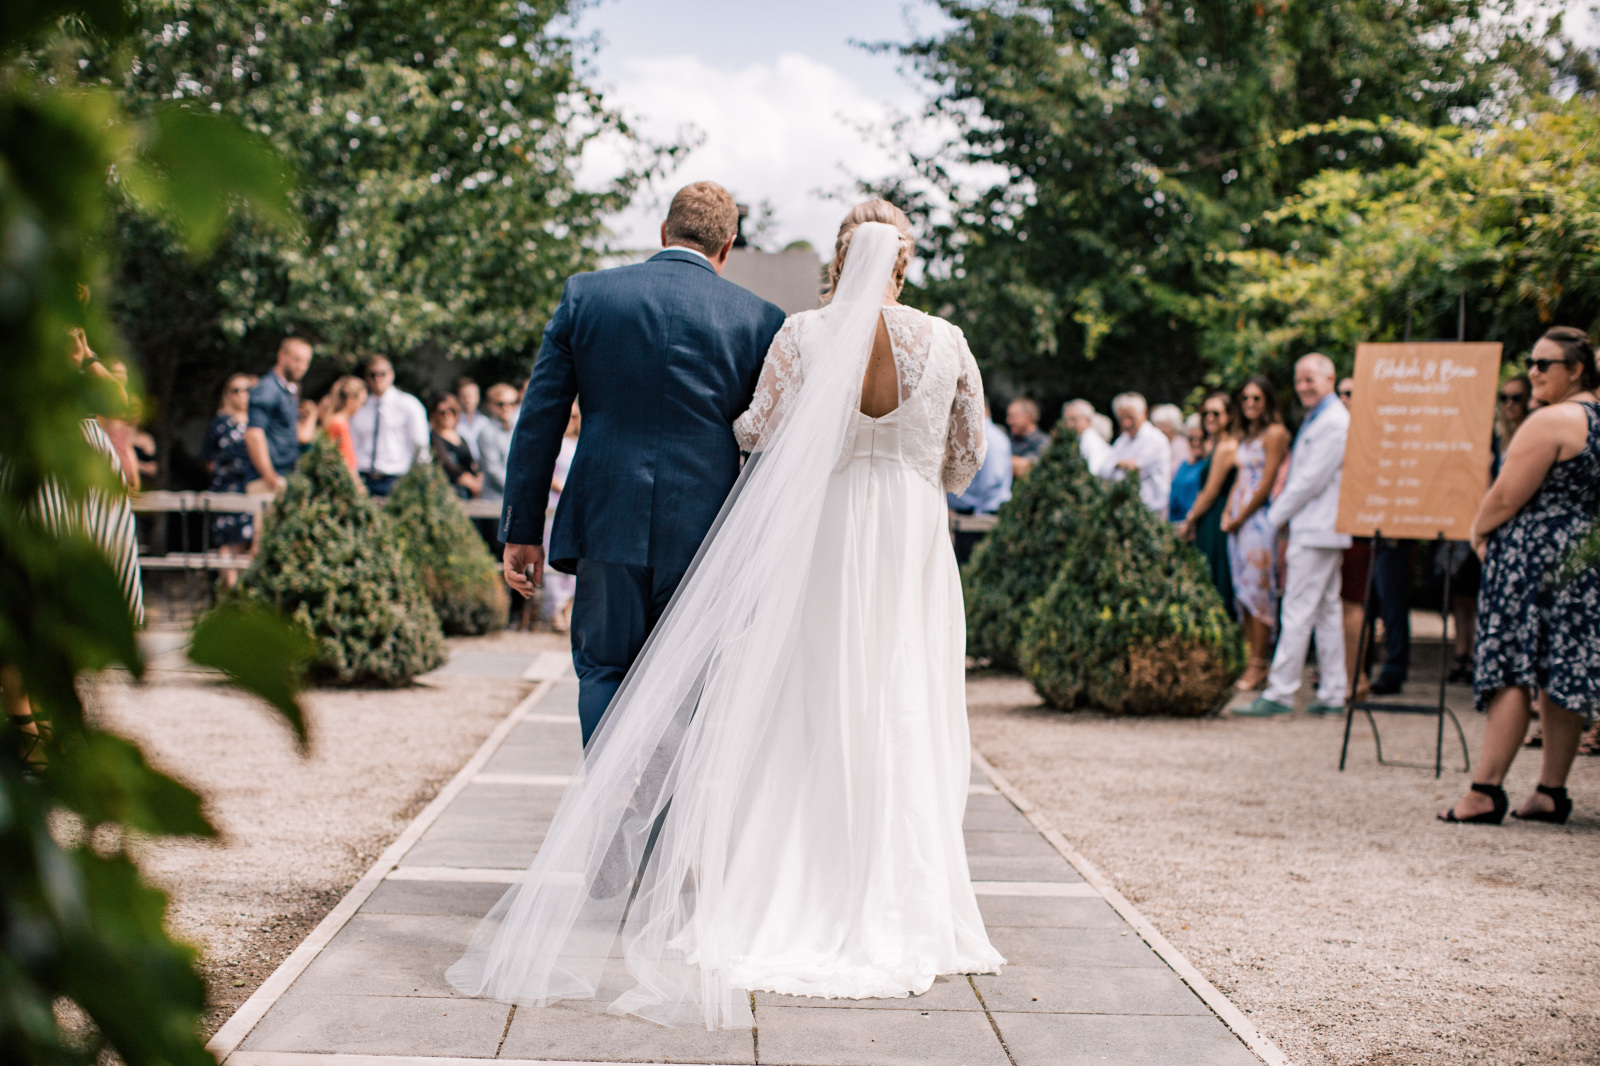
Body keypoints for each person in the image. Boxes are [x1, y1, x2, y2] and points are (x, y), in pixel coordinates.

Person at [450, 204, 1004, 1026]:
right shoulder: (933, 339)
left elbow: (756, 430)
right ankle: (890, 885)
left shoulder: (795, 331)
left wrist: (522, 525)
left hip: (792, 533)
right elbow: (966, 461)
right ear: (904, 262)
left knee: (771, 694)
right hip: (900, 538)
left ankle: (640, 822)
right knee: (899, 700)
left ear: (839, 258)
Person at [493, 180, 787, 743]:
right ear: (728, 245)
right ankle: (659, 802)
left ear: (664, 230)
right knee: (683, 682)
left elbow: (539, 420)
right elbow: (766, 441)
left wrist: (522, 529)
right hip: (704, 531)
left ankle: (609, 797)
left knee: (603, 669)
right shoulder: (760, 320)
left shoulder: (587, 295)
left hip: (606, 518)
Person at [1440, 326, 1599, 824]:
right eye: (1531, 362)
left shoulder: (1551, 420)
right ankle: (1551, 791)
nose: (1533, 371)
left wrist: (1478, 530)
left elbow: (1508, 495)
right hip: (1582, 561)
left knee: (1512, 666)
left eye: (1544, 364)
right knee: (1562, 666)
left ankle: (1484, 791)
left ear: (1576, 370)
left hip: (1531, 558)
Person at [1240, 354, 1351, 716]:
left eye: (1309, 379)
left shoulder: (1334, 422)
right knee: (1326, 612)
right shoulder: (1317, 418)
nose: (1303, 386)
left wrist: (1273, 518)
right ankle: (1333, 692)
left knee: (1298, 610)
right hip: (1317, 528)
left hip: (1316, 529)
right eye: (1299, 380)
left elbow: (1308, 481)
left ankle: (1281, 691)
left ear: (1330, 379)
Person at [1223, 375, 1291, 691]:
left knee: (1258, 590)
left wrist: (1241, 517)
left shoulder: (1275, 433)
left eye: (1256, 398)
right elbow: (1240, 479)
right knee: (1242, 591)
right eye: (1245, 398)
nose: (1250, 404)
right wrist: (1228, 513)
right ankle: (1249, 657)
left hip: (1257, 520)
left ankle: (1260, 662)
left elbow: (1265, 483)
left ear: (1267, 401)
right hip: (1238, 519)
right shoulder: (1247, 436)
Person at [1178, 392, 1240, 618]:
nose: (1209, 418)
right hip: (1209, 516)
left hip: (1216, 516)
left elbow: (1210, 492)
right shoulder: (1216, 445)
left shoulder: (1226, 446)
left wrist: (1189, 521)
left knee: (1217, 573)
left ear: (1229, 415)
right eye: (1206, 413)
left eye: (1216, 413)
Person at [200, 373, 258, 587]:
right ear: (228, 394)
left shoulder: (256, 422)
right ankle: (232, 592)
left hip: (249, 489)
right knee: (227, 542)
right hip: (225, 489)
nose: (242, 395)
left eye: (247, 390)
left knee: (245, 542)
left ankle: (240, 591)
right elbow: (208, 459)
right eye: (236, 390)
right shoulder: (220, 422)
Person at [349, 354, 430, 497]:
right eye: (373, 374)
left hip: (396, 478)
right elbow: (353, 444)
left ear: (391, 375)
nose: (377, 378)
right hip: (363, 478)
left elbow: (420, 445)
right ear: (367, 377)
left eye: (382, 374)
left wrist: (420, 480)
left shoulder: (409, 405)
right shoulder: (359, 406)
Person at [245, 337, 314, 493]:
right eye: (297, 360)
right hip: (267, 481)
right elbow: (254, 435)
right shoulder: (267, 389)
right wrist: (270, 477)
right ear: (282, 355)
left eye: (306, 362)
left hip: (286, 477)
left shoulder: (288, 390)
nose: (302, 366)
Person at [948, 401, 1013, 564]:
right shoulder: (979, 434)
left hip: (981, 520)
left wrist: (976, 513)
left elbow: (992, 480)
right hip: (973, 518)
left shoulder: (989, 437)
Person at [540, 401, 581, 631]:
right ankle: (555, 609)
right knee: (553, 554)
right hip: (555, 504)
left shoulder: (579, 442)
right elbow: (546, 473)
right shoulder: (552, 443)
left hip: (574, 505)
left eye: (574, 416)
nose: (570, 421)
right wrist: (565, 490)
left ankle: (568, 607)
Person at [1098, 392, 1171, 515]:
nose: (1126, 423)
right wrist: (1119, 464)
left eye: (1130, 417)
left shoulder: (1155, 439)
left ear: (1144, 413)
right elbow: (1103, 470)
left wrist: (1117, 464)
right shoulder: (1121, 441)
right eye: (1121, 418)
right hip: (1125, 509)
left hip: (1150, 511)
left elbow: (1134, 469)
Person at [430, 395, 483, 500]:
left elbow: (472, 462)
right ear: (435, 414)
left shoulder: (461, 438)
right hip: (451, 491)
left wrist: (478, 479)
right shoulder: (434, 437)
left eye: (451, 411)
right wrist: (471, 483)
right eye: (442, 412)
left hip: (469, 492)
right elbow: (446, 464)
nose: (447, 415)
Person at [477, 383, 518, 503]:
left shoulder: (517, 429)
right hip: (495, 500)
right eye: (501, 404)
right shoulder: (487, 432)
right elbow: (493, 469)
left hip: (516, 497)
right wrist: (519, 489)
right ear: (491, 405)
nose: (506, 408)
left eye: (511, 403)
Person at [318, 374, 368, 475]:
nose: (361, 407)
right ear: (350, 401)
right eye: (361, 402)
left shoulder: (339, 422)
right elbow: (346, 463)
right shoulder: (339, 424)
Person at [1168, 413, 1206, 523]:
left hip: (1194, 522)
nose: (1195, 443)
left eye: (1200, 438)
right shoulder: (1183, 464)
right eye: (1191, 438)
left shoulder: (1206, 464)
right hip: (1175, 522)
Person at [1061, 399, 1111, 473]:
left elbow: (1094, 471)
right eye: (1066, 420)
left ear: (1087, 419)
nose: (1069, 425)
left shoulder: (1091, 441)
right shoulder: (1080, 439)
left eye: (1074, 419)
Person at [1005, 397, 1049, 478]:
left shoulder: (1044, 442)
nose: (1009, 421)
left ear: (1027, 418)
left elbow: (1027, 467)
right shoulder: (1009, 439)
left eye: (1013, 417)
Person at [1150, 402, 1190, 476]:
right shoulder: (1156, 444)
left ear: (1174, 426)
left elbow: (1175, 470)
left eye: (1164, 425)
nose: (1160, 429)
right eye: (1157, 425)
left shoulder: (1181, 445)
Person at [455, 376, 487, 461]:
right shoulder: (453, 423)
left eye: (471, 396)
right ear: (458, 398)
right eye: (464, 396)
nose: (468, 400)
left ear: (478, 397)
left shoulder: (485, 423)